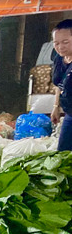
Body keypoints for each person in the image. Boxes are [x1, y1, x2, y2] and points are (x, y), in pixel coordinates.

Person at [51, 18, 72, 152]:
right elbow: (59, 84)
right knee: (63, 153)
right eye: (56, 43)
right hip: (70, 114)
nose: (60, 47)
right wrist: (56, 106)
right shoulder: (59, 58)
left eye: (65, 42)